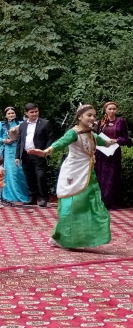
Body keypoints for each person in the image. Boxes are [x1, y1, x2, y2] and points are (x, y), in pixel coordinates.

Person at [28, 104, 118, 249]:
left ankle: (80, 239)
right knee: (71, 205)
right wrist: (46, 151)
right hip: (73, 173)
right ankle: (60, 237)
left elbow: (100, 141)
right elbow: (61, 143)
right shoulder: (73, 133)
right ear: (80, 117)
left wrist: (110, 142)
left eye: (94, 115)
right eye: (89, 115)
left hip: (88, 173)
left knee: (89, 204)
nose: (92, 118)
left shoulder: (90, 133)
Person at [15, 103, 53, 207]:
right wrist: (17, 156)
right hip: (26, 154)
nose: (34, 114)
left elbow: (50, 138)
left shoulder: (45, 123)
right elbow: (20, 141)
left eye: (36, 111)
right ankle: (32, 198)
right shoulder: (22, 125)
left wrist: (45, 151)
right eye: (32, 112)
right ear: (26, 113)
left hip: (39, 153)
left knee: (41, 176)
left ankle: (44, 198)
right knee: (29, 176)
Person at [94, 102, 130, 209]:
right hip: (102, 153)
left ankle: (112, 202)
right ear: (106, 110)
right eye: (110, 109)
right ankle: (101, 201)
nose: (112, 111)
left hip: (114, 153)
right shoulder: (102, 122)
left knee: (112, 176)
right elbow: (97, 137)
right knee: (101, 176)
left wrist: (116, 140)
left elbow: (126, 138)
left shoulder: (121, 121)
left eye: (114, 109)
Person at [0, 107, 29, 205]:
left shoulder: (22, 123)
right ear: (5, 115)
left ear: (15, 114)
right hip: (7, 150)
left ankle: (20, 194)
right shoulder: (2, 124)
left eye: (12, 113)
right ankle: (7, 195)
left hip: (18, 149)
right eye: (9, 113)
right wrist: (5, 140)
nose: (11, 115)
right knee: (8, 172)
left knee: (18, 171)